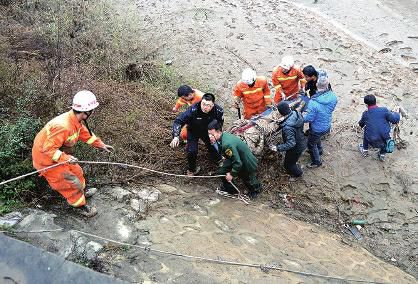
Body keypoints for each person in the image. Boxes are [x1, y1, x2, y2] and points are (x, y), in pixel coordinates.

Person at [32, 90, 114, 217]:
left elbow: (84, 134)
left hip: (60, 157)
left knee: (78, 172)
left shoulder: (74, 121)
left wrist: (100, 144)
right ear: (86, 112)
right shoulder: (63, 126)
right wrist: (66, 158)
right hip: (47, 161)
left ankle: (82, 192)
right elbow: (48, 149)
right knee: (71, 183)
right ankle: (79, 206)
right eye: (91, 110)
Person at [170, 93, 223, 175]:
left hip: (208, 132)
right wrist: (176, 136)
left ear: (213, 105)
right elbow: (178, 121)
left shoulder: (218, 111)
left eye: (208, 105)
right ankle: (192, 169)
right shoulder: (193, 109)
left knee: (213, 146)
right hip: (193, 131)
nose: (205, 107)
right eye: (203, 104)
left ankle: (219, 160)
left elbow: (219, 123)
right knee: (192, 151)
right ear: (201, 102)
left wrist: (216, 135)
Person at [208, 120, 262, 199]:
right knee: (222, 171)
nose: (210, 136)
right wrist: (214, 143)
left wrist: (232, 174)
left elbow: (238, 163)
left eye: (212, 134)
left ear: (219, 132)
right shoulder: (222, 137)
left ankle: (255, 190)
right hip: (236, 159)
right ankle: (231, 189)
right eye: (209, 134)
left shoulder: (227, 143)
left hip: (247, 163)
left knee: (248, 179)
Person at [302, 70, 337, 168]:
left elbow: (309, 118)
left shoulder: (313, 102)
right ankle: (320, 150)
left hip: (317, 127)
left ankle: (317, 162)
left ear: (317, 85)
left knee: (311, 144)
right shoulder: (333, 96)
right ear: (327, 85)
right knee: (316, 139)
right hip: (326, 124)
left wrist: (300, 118)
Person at [358, 95, 400, 161]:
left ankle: (365, 150)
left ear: (366, 105)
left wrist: (361, 124)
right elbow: (395, 120)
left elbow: (361, 124)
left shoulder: (365, 114)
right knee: (385, 135)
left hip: (371, 140)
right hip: (384, 141)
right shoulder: (384, 110)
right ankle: (382, 155)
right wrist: (397, 113)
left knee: (367, 131)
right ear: (375, 102)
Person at [269, 102, 306, 177]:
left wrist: (277, 148)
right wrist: (283, 121)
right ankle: (294, 164)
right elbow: (290, 121)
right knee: (292, 160)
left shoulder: (287, 128)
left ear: (280, 113)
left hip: (295, 148)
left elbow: (291, 144)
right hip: (301, 140)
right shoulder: (296, 113)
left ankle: (298, 174)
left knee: (288, 164)